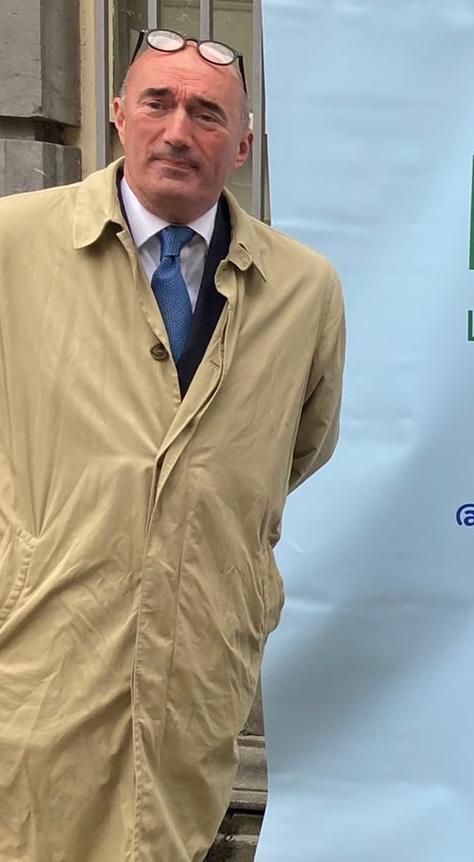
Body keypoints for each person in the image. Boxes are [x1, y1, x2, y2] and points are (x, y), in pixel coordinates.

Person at [0, 29, 344, 862]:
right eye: (157, 102)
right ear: (119, 114)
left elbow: (299, 447)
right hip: (39, 647)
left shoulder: (304, 290)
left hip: (195, 661)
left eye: (207, 113)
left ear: (244, 145)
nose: (178, 131)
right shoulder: (14, 245)